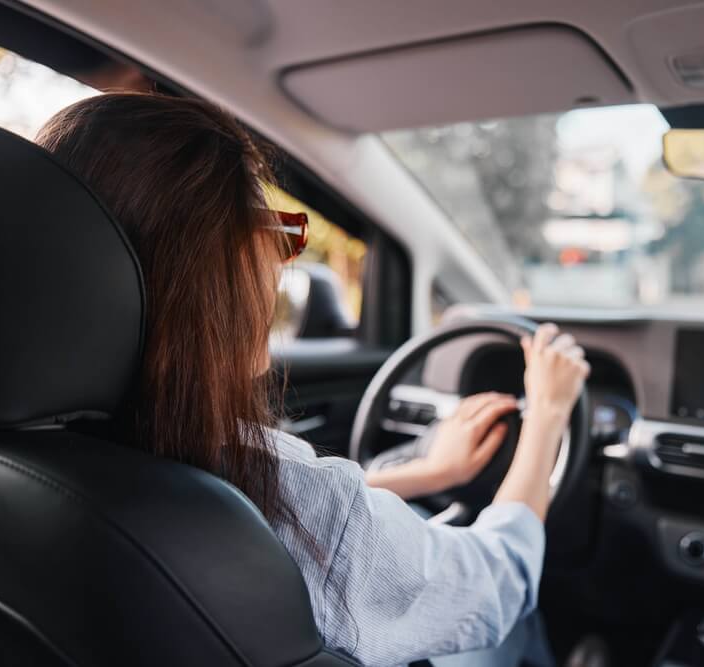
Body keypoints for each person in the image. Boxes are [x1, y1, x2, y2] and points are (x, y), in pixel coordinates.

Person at [35, 92, 589, 666]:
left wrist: (429, 474)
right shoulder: (279, 491)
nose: (279, 264)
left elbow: (299, 516)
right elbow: (500, 582)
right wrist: (549, 414)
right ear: (214, 266)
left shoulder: (37, 464)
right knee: (514, 632)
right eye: (274, 234)